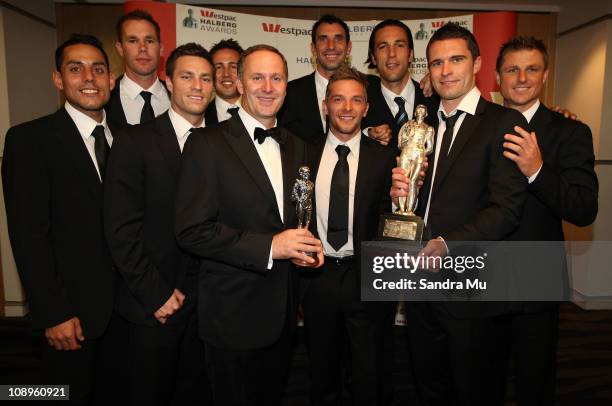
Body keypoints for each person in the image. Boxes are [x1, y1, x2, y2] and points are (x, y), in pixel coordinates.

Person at [174, 44, 324, 406]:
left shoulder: (299, 146)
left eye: (277, 78)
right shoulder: (206, 144)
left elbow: (298, 219)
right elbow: (191, 229)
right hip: (232, 317)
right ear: (239, 83)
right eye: (257, 77)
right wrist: (271, 247)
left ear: (288, 86)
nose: (267, 87)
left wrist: (309, 251)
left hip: (284, 312)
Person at [390, 23, 528, 405]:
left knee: (476, 389)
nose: (446, 70)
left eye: (456, 59)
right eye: (436, 62)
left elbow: (507, 210)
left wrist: (448, 244)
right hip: (420, 285)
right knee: (429, 384)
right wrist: (401, 195)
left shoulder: (504, 123)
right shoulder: (420, 126)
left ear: (477, 64)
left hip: (473, 288)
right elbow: (418, 197)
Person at [2, 34, 117, 405]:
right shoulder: (28, 141)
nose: (89, 77)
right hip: (71, 316)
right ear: (58, 79)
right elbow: (28, 235)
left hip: (128, 315)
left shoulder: (130, 141)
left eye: (98, 69)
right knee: (62, 396)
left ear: (110, 79)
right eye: (75, 68)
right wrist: (53, 312)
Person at [104, 43, 214, 406]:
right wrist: (156, 295)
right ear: (168, 81)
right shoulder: (134, 142)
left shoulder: (223, 145)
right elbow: (120, 231)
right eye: (187, 76)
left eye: (205, 78)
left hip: (209, 307)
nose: (197, 86)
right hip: (154, 306)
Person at [490, 36, 598, 405]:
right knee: (479, 377)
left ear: (545, 75)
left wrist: (537, 171)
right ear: (496, 77)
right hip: (478, 273)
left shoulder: (570, 131)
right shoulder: (477, 128)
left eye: (531, 69)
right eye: (511, 69)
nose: (521, 77)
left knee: (534, 381)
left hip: (536, 278)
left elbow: (584, 209)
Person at [300, 65, 396, 406]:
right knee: (321, 369)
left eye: (356, 100)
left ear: (367, 108)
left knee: (369, 372)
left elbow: (392, 219)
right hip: (317, 276)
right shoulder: (301, 154)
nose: (347, 107)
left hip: (365, 277)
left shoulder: (385, 159)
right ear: (325, 105)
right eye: (338, 99)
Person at [280, 14, 390, 145]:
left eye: (338, 39)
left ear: (348, 47)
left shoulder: (374, 86)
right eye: (323, 39)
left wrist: (369, 133)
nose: (331, 46)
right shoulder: (290, 92)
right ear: (313, 48)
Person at [363, 19, 438, 147]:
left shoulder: (436, 99)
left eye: (399, 45)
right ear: (374, 58)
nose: (391, 54)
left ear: (411, 54)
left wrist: (437, 77)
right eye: (383, 46)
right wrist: (368, 134)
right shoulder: (360, 104)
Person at [106, 9, 170, 130]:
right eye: (133, 41)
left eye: (149, 41)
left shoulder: (178, 96)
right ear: (120, 49)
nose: (142, 48)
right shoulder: (104, 99)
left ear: (161, 49)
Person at [205, 38, 243, 125]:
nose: (226, 74)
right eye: (218, 67)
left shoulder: (263, 110)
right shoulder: (199, 116)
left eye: (233, 67)